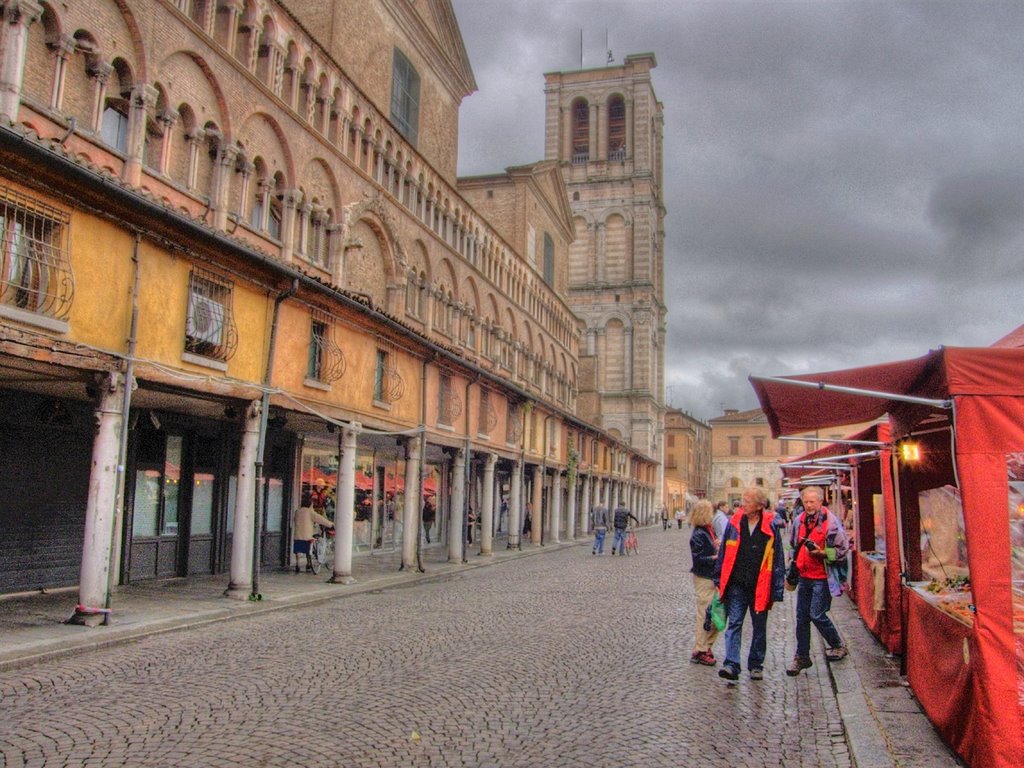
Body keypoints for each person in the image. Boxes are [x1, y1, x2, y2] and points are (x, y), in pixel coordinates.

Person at [713, 486, 786, 681]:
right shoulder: (734, 522)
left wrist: (777, 588)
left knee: (759, 626)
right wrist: (719, 578)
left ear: (759, 505)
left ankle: (756, 664)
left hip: (760, 584)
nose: (742, 504)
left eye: (747, 501)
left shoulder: (770, 526)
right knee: (734, 623)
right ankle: (731, 664)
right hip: (737, 583)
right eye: (742, 500)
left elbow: (778, 557)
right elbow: (723, 554)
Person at [787, 486, 850, 676]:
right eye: (806, 501)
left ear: (820, 502)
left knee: (817, 614)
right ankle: (802, 656)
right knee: (801, 618)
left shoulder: (831, 522)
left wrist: (822, 553)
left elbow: (842, 550)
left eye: (812, 501)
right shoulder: (799, 521)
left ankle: (837, 644)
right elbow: (792, 544)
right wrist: (794, 562)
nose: (808, 505)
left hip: (822, 577)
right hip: (804, 576)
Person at [689, 499, 719, 665]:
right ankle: (701, 649)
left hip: (711, 576)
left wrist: (715, 545)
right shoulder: (699, 534)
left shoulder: (707, 531)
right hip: (704, 577)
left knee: (715, 616)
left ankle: (705, 646)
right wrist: (715, 557)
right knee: (705, 615)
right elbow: (698, 559)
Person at [292, 491, 334, 573]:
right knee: (308, 550)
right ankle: (308, 564)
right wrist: (331, 524)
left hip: (298, 534)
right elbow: (320, 519)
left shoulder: (297, 511)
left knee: (298, 550)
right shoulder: (310, 512)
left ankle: (298, 564)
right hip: (307, 535)